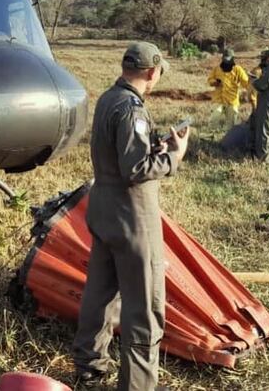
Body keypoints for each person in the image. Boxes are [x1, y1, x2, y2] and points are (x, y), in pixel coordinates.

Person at [72, 42, 190, 391]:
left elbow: (121, 152)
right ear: (152, 72)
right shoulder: (133, 109)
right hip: (132, 216)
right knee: (144, 308)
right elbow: (136, 167)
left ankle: (89, 367)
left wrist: (154, 147)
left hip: (103, 208)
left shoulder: (110, 98)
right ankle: (137, 385)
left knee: (101, 293)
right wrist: (174, 156)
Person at [207, 49, 249, 130]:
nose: (227, 61)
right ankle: (211, 136)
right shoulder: (217, 68)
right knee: (214, 118)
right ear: (222, 58)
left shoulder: (238, 69)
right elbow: (210, 80)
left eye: (229, 59)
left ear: (232, 58)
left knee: (231, 124)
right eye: (225, 59)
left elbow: (246, 83)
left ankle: (227, 139)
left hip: (232, 100)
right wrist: (215, 82)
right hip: (218, 99)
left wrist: (252, 84)